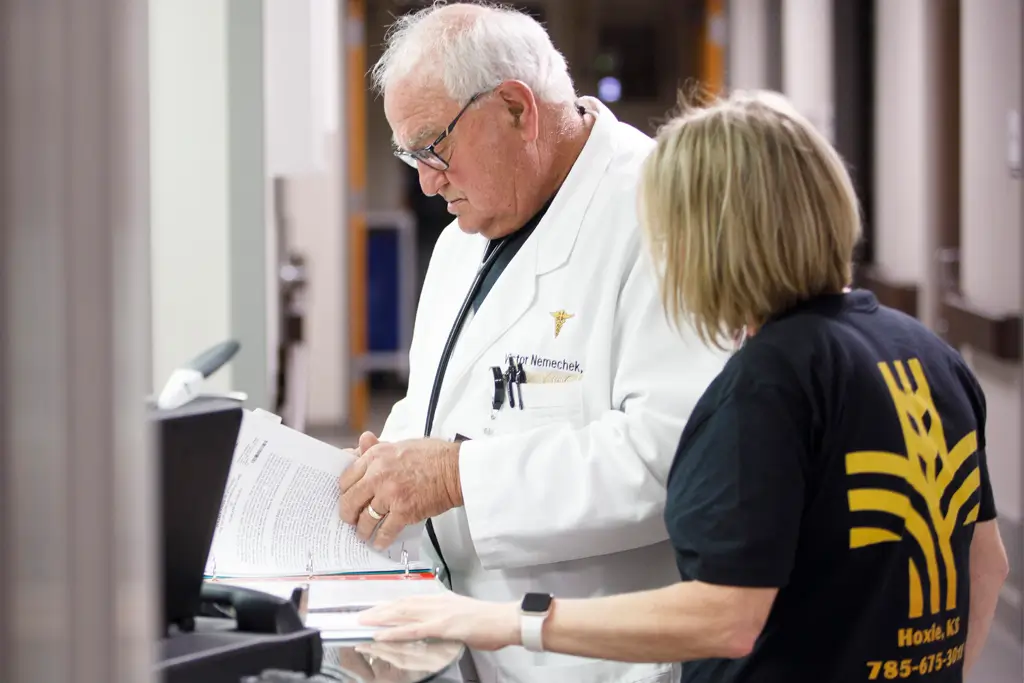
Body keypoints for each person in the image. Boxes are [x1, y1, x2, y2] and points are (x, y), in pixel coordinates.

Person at [358, 90, 1012, 683]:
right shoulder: (926, 352)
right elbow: (988, 567)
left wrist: (501, 621)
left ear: (709, 236)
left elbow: (726, 616)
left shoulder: (765, 383)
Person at [338, 3, 727, 683]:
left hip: (593, 662)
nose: (427, 181)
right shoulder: (467, 234)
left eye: (434, 146)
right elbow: (440, 400)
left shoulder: (663, 212)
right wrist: (388, 462)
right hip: (465, 642)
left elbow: (675, 455)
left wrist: (455, 474)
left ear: (517, 109)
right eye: (410, 154)